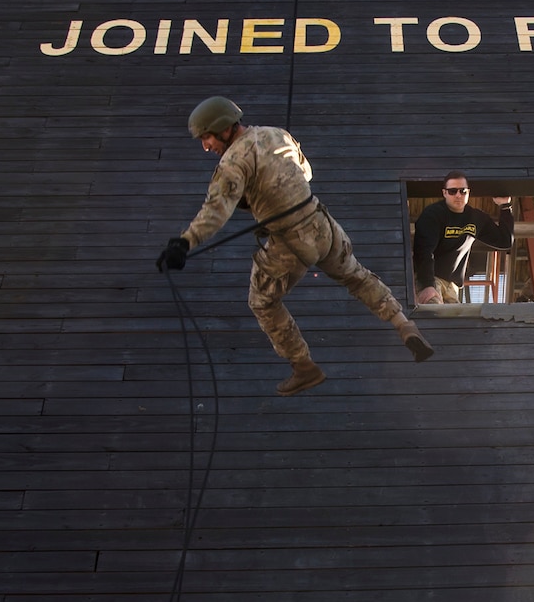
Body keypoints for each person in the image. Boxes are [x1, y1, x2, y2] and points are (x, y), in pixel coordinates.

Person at [156, 97, 432, 396]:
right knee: (357, 276)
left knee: (262, 302)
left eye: (206, 137)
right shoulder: (278, 133)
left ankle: (304, 368)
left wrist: (184, 243)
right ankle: (404, 326)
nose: (205, 146)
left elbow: (216, 210)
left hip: (289, 240)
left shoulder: (233, 162)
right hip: (322, 224)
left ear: (223, 128)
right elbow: (305, 173)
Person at [412, 174, 514, 306]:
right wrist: (427, 285)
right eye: (452, 191)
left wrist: (505, 206)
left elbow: (504, 241)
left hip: (452, 285)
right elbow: (423, 251)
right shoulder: (433, 215)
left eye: (462, 191)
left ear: (468, 193)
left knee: (456, 323)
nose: (458, 195)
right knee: (433, 317)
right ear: (444, 193)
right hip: (431, 279)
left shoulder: (476, 218)